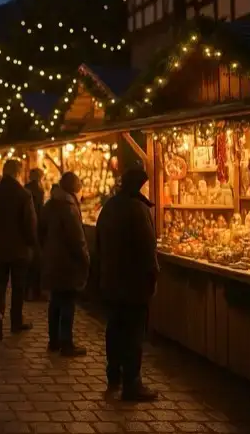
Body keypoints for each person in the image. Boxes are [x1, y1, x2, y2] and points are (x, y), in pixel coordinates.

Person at [97, 167, 159, 402]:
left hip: (112, 280)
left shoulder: (110, 206)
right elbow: (147, 248)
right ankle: (132, 384)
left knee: (114, 328)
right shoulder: (137, 209)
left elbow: (100, 243)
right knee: (133, 333)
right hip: (133, 282)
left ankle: (114, 375)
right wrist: (152, 275)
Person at [0, 159, 37, 340]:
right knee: (18, 286)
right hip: (19, 249)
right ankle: (16, 321)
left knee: (0, 283)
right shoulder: (23, 195)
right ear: (18, 172)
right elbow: (29, 224)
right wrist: (33, 244)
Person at [42, 172, 89, 356]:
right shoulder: (69, 207)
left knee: (55, 301)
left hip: (53, 260)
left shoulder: (51, 204)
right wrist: (85, 259)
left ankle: (54, 341)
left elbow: (41, 229)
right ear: (75, 189)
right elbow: (77, 239)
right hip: (67, 262)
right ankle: (66, 344)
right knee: (68, 303)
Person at [25, 168, 46, 302]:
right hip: (35, 228)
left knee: (29, 263)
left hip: (27, 229)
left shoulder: (25, 189)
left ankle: (27, 292)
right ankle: (36, 291)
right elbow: (39, 210)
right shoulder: (38, 190)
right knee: (36, 263)